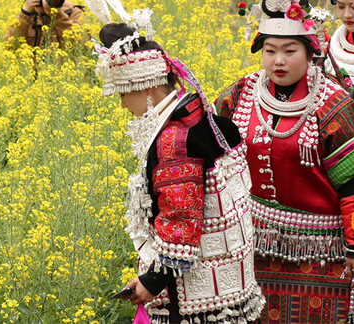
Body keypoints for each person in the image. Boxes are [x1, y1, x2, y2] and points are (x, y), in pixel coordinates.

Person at [216, 0, 354, 323]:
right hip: (253, 246)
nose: (278, 61)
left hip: (320, 251)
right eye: (270, 50)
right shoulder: (239, 94)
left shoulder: (332, 103)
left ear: (309, 53)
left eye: (290, 51)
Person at [97, 23, 264, 324]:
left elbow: (181, 222)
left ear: (147, 87)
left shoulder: (174, 143)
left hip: (195, 299)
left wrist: (152, 282)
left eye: (123, 93)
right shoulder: (199, 117)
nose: (122, 104)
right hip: (230, 283)